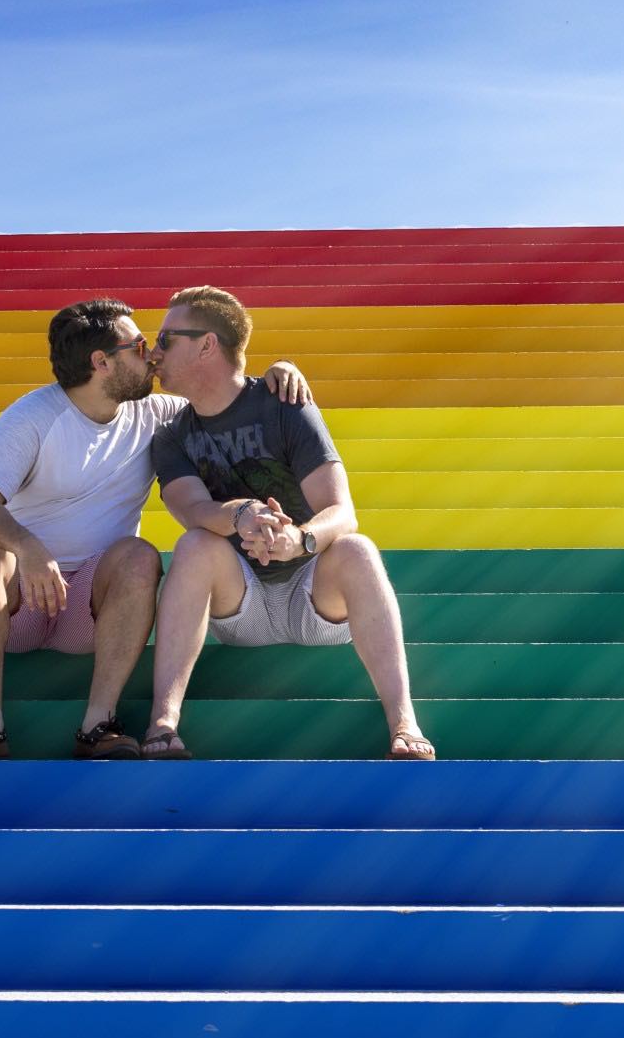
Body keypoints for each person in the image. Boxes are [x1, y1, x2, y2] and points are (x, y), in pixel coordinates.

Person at [0, 298, 311, 761]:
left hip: (89, 612)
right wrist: (27, 546)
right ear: (101, 362)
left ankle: (98, 724)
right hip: (20, 602)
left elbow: (223, 391)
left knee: (140, 553)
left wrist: (281, 368)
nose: (153, 355)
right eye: (139, 346)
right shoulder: (34, 415)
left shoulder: (158, 414)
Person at [141, 286, 435, 761]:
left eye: (165, 339)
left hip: (313, 591)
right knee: (194, 543)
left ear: (206, 345)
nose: (153, 353)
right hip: (242, 604)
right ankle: (162, 722)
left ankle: (404, 721)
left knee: (357, 547)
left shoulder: (284, 402)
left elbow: (341, 510)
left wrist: (300, 540)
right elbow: (192, 508)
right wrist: (240, 514)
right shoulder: (173, 435)